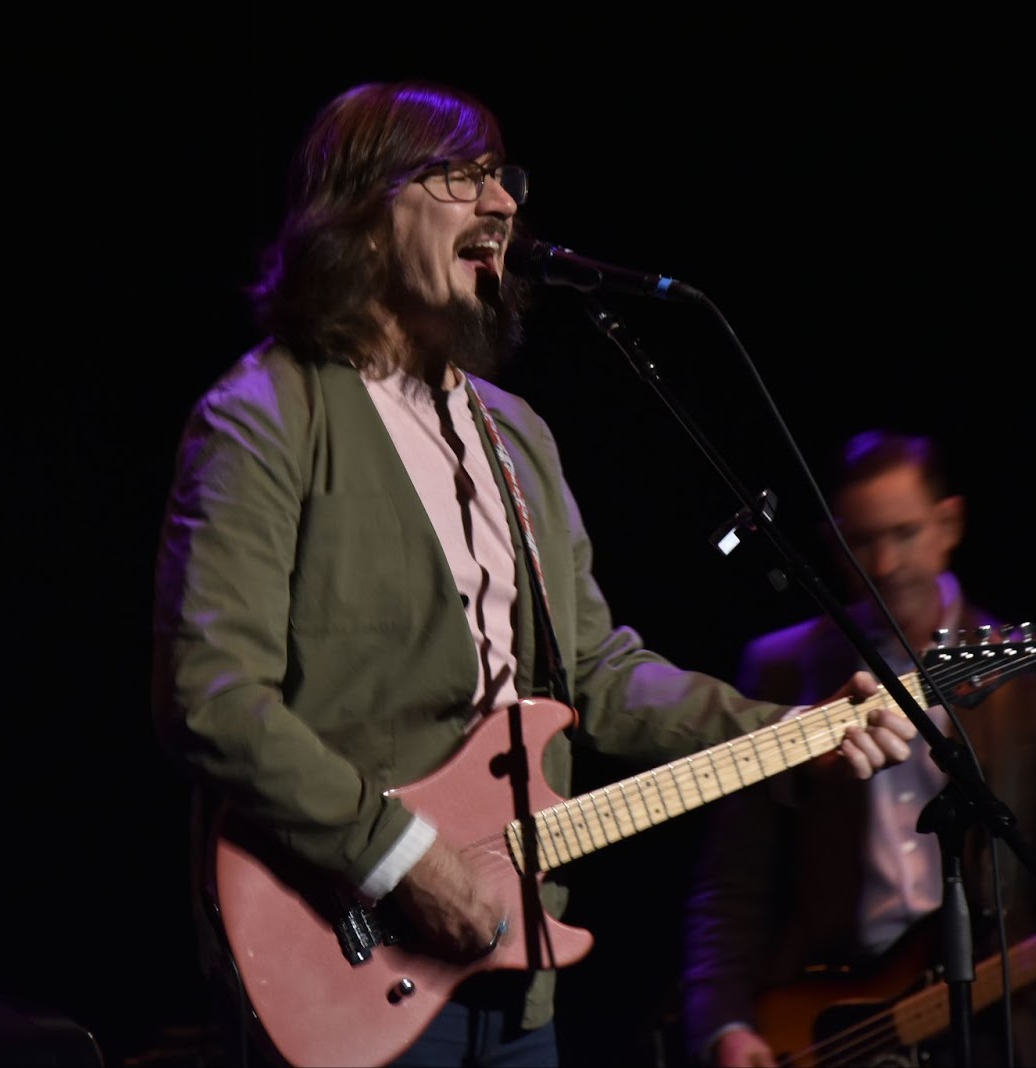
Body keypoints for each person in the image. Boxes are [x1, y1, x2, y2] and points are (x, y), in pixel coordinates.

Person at [147, 81, 919, 1068]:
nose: (503, 203)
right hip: (347, 960)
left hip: (517, 974)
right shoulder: (267, 414)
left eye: (501, 178)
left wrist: (787, 736)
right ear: (363, 216)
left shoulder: (516, 437)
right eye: (458, 177)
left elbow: (596, 672)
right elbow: (211, 697)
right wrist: (397, 857)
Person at [678, 429, 1036, 1068]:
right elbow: (734, 876)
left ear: (950, 523)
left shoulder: (1034, 672)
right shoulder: (781, 670)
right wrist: (723, 1023)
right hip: (839, 1021)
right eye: (863, 541)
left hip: (1007, 1019)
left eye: (905, 533)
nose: (886, 564)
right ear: (833, 541)